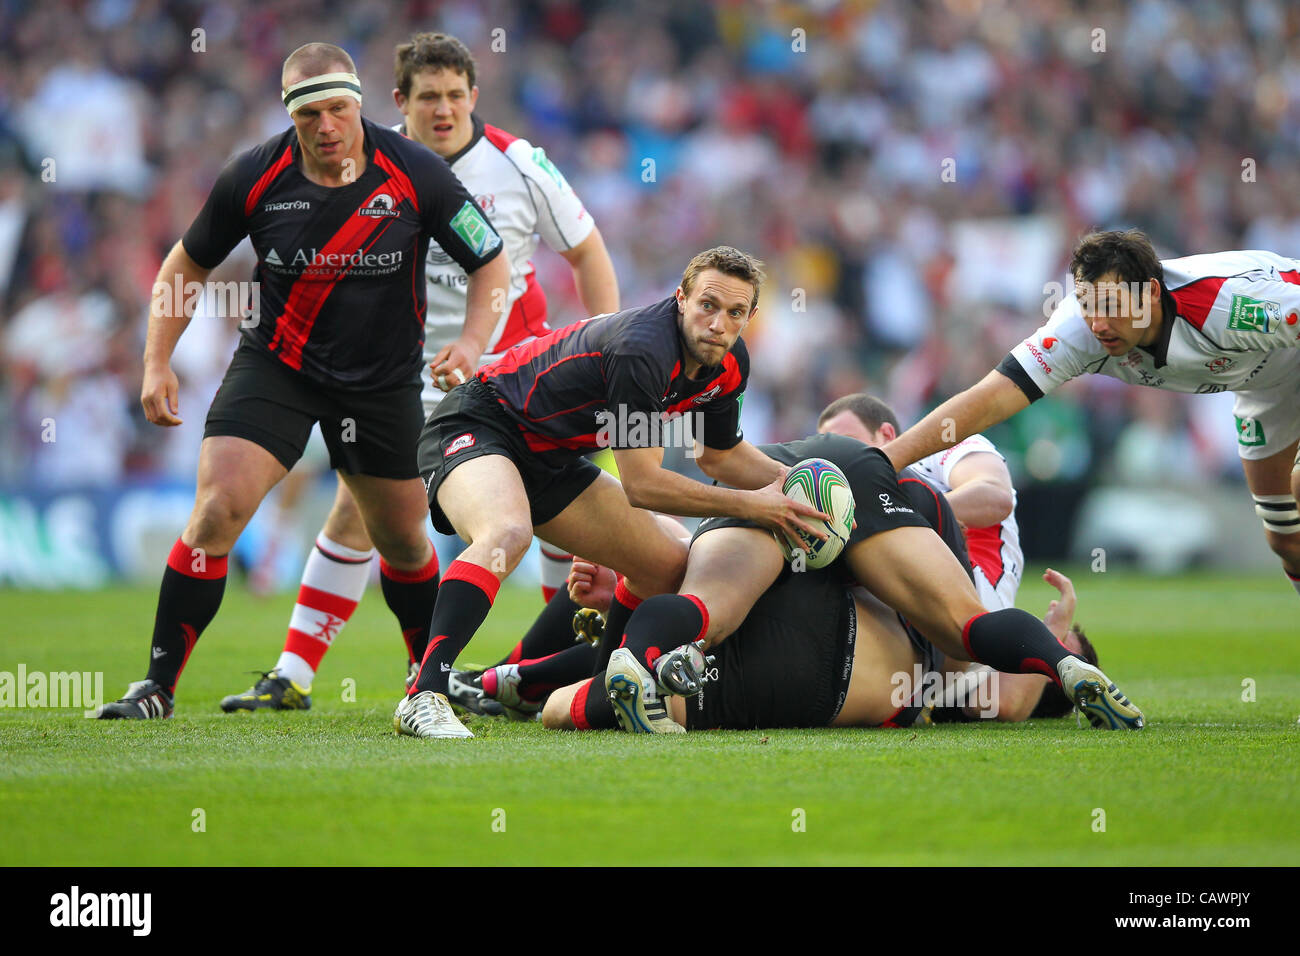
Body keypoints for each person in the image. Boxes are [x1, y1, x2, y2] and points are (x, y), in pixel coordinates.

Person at [96, 42, 509, 719]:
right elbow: (183, 266)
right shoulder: (253, 176)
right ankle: (157, 688)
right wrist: (155, 362)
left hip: (382, 383)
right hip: (278, 368)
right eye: (309, 113)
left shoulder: (417, 173)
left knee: (406, 542)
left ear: (360, 105)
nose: (325, 126)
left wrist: (470, 340)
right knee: (215, 511)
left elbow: (489, 264)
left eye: (338, 110)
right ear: (290, 116)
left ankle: (427, 683)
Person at [220, 32, 619, 713]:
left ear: (474, 97)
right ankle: (294, 673)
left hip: (510, 376)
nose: (443, 109)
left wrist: (603, 353)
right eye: (428, 96)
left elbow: (587, 252)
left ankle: (551, 670)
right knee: (360, 514)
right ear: (399, 101)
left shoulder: (518, 163)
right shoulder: (359, 163)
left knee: (565, 519)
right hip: (405, 378)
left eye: (455, 96)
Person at [395, 245, 832, 738]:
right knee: (506, 532)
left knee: (665, 564)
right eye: (707, 305)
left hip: (551, 459)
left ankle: (591, 687)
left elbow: (721, 456)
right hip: (480, 422)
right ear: (680, 299)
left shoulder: (729, 363)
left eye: (734, 312)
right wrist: (757, 505)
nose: (717, 323)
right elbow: (643, 485)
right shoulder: (643, 348)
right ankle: (425, 695)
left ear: (751, 317)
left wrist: (793, 485)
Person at [596, 431, 1143, 733]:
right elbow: (993, 693)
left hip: (791, 467)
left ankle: (633, 656)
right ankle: (1066, 667)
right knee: (969, 627)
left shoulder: (939, 480)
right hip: (870, 496)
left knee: (707, 608)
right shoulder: (987, 583)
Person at [883, 229, 1300, 599]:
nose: (1098, 324)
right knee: (1287, 541)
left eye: (1112, 306)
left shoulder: (1229, 305)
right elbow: (989, 398)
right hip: (1261, 389)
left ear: (1152, 292)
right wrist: (886, 461)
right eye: (1087, 305)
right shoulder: (1077, 332)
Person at [817, 393, 1023, 609]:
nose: (839, 457)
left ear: (886, 434)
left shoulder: (943, 447)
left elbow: (995, 497)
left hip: (975, 594)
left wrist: (903, 515)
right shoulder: (848, 494)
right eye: (829, 452)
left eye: (847, 442)